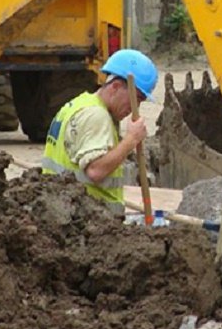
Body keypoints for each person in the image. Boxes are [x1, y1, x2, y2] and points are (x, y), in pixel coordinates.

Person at [41, 49, 158, 216]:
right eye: (135, 98)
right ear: (116, 87)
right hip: (84, 219)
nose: (135, 108)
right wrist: (131, 140)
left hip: (66, 209)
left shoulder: (81, 103)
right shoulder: (96, 116)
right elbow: (96, 171)